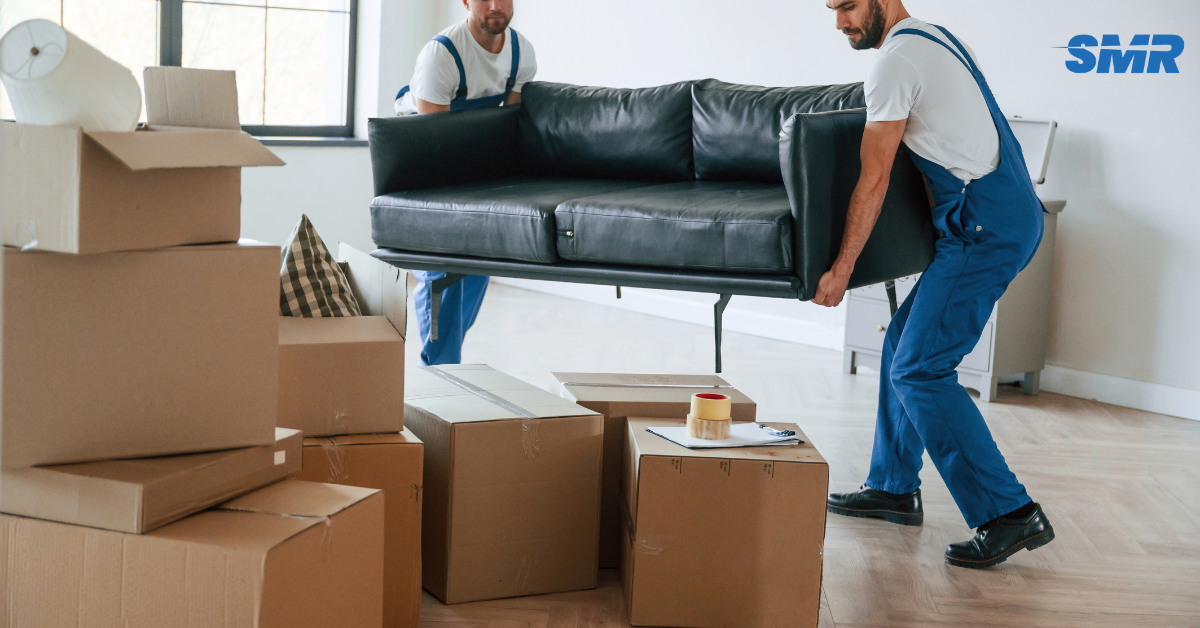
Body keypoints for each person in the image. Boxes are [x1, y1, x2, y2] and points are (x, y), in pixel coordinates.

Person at [819, 0, 1055, 569]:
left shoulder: (894, 64)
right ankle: (894, 487)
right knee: (903, 345)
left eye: (847, 6)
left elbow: (873, 178)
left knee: (920, 368)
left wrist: (842, 268)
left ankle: (1008, 514)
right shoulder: (935, 38)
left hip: (983, 227)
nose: (839, 24)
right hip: (998, 214)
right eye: (830, 9)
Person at [394, 0, 537, 365]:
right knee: (443, 267)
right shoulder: (440, 55)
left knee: (479, 265)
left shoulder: (521, 54)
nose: (494, 6)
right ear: (465, 2)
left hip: (474, 159)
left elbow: (509, 128)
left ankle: (444, 358)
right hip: (420, 162)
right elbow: (434, 145)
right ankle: (440, 376)